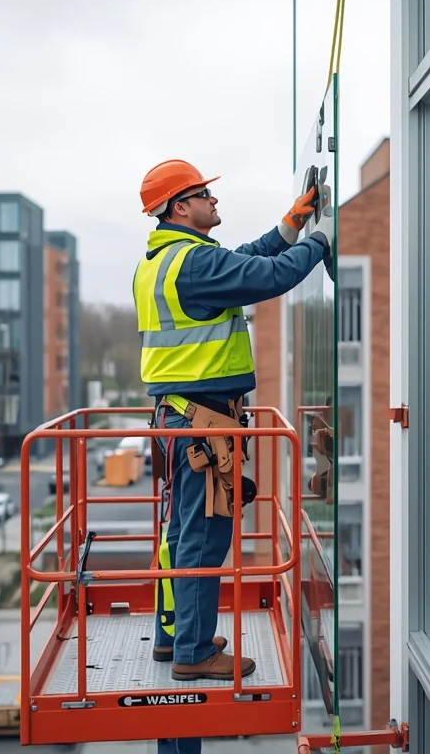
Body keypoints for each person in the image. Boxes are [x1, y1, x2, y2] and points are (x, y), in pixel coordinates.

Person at [134, 158, 333, 754]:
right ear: (179, 207)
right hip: (201, 423)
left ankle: (179, 639)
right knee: (203, 539)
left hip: (184, 418)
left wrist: (289, 226)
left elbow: (245, 258)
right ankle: (193, 654)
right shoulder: (192, 263)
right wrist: (319, 243)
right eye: (203, 196)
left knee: (185, 533)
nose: (213, 203)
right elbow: (266, 278)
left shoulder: (163, 260)